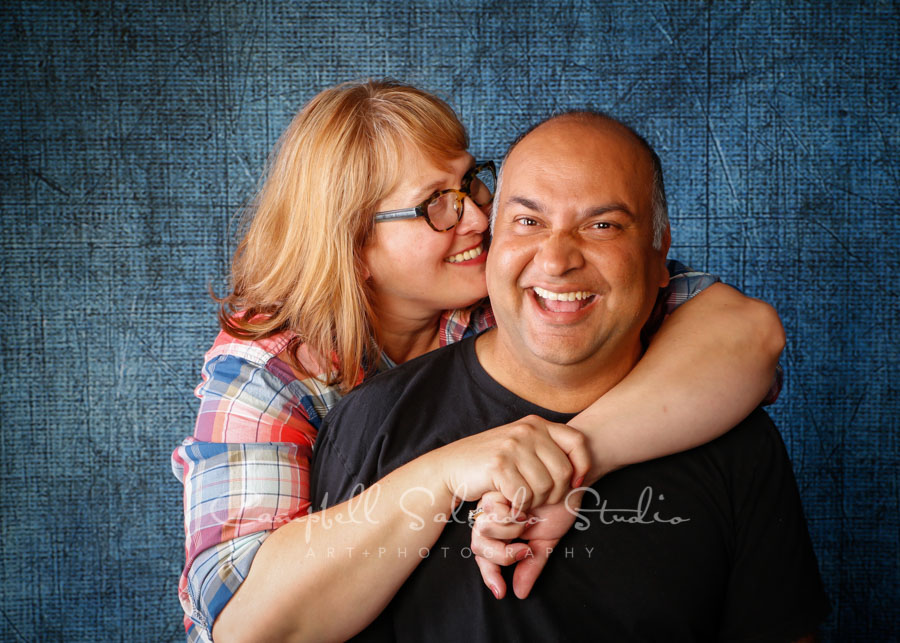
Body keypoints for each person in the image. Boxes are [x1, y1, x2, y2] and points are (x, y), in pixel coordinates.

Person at [171, 80, 785, 642]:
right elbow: (241, 624)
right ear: (354, 245)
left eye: (471, 183)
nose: (480, 217)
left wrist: (574, 456)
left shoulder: (515, 297)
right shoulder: (269, 373)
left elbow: (748, 336)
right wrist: (446, 473)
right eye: (435, 204)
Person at [311, 111, 828, 641]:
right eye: (528, 222)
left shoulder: (734, 437)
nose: (556, 260)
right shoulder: (370, 422)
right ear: (491, 244)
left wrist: (573, 460)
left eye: (602, 226)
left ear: (659, 254)